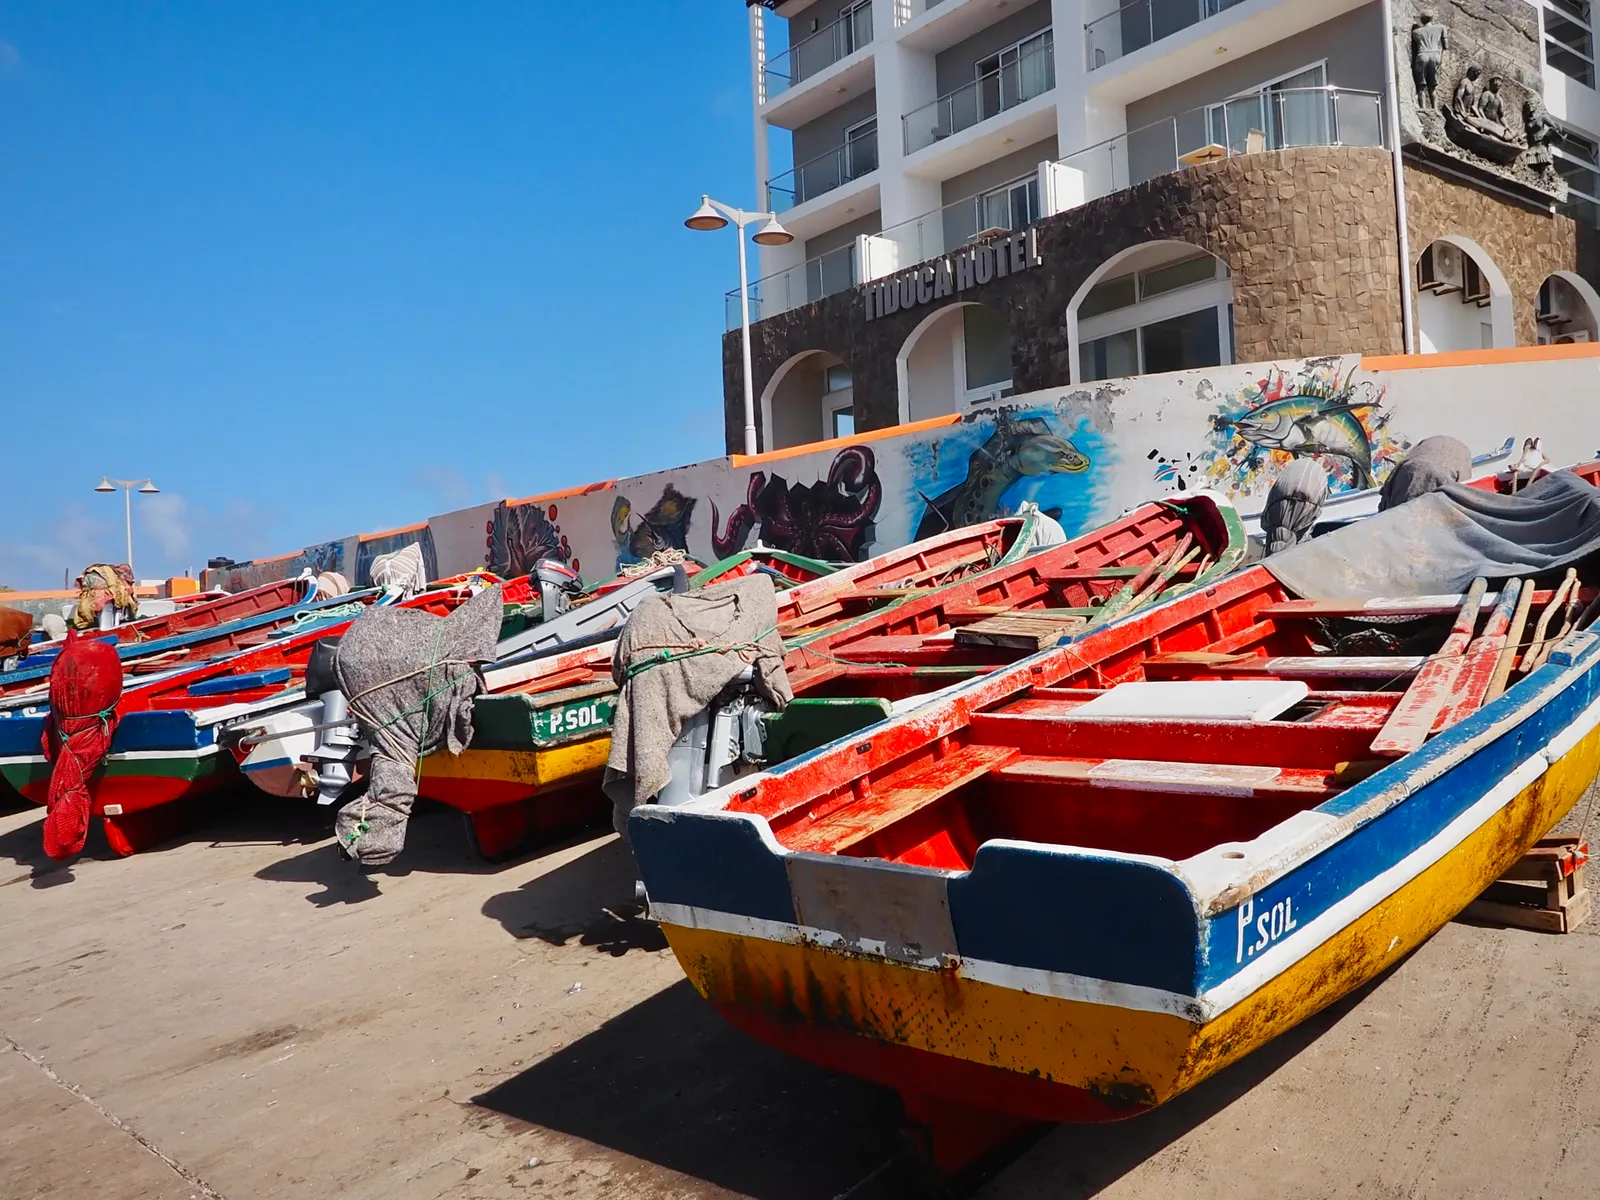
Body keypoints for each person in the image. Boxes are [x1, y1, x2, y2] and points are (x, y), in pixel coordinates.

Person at [1412, 12, 1448, 109]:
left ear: (1421, 19)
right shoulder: (1441, 27)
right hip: (1434, 55)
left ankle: (1423, 108)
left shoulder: (1415, 32)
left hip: (1422, 55)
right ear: (1431, 18)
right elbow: (1446, 46)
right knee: (1433, 86)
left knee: (1421, 87)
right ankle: (1435, 109)